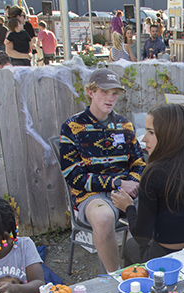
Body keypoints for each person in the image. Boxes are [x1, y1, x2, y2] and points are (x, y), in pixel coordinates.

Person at [60, 69, 145, 275]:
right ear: (91, 92)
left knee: (164, 202)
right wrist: (116, 183)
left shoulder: (124, 124)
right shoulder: (72, 127)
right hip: (92, 195)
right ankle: (115, 276)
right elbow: (74, 177)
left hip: (126, 191)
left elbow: (139, 162)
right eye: (104, 92)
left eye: (115, 93)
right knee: (104, 217)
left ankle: (153, 266)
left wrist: (132, 184)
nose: (110, 98)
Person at [111, 104, 184, 264]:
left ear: (169, 135)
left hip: (166, 257)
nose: (144, 139)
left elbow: (142, 236)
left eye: (151, 132)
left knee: (131, 246)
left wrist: (128, 207)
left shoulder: (153, 173)